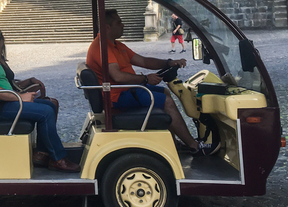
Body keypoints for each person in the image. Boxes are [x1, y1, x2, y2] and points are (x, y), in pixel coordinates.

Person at [86, 9, 219, 156]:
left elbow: (143, 61)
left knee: (165, 92)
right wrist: (145, 79)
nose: (123, 25)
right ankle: (195, 146)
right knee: (166, 102)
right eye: (119, 22)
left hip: (126, 90)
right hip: (117, 96)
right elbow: (118, 77)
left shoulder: (116, 45)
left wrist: (168, 63)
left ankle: (174, 143)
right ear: (107, 27)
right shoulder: (102, 47)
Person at [0, 19, 80, 172]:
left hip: (5, 103)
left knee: (49, 105)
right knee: (46, 112)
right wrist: (20, 98)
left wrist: (21, 95)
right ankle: (58, 159)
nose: (0, 36)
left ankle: (41, 153)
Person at [0, 35, 59, 117]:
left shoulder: (0, 59)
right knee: (48, 108)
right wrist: (21, 96)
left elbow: (11, 82)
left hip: (13, 95)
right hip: (9, 99)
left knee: (52, 104)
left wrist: (29, 81)